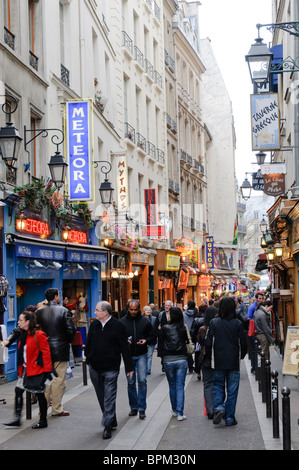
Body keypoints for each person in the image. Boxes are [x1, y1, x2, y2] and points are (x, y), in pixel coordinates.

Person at [85, 301, 134, 439]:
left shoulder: (118, 326)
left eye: (97, 310)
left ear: (105, 312)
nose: (94, 312)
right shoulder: (94, 324)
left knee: (109, 397)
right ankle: (111, 419)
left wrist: (129, 367)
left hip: (111, 368)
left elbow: (125, 347)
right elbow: (88, 343)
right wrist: (88, 358)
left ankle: (107, 426)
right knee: (101, 396)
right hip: (94, 367)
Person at [2, 310, 53, 429]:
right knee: (18, 391)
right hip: (25, 370)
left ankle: (43, 420)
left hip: (37, 370)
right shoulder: (22, 333)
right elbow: (13, 335)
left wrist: (46, 372)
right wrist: (7, 341)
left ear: (28, 322)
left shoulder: (39, 334)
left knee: (40, 394)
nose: (18, 322)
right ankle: (17, 418)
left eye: (20, 320)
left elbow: (46, 354)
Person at [205, 296, 247, 427]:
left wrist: (208, 355)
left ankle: (219, 407)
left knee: (217, 386)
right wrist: (241, 356)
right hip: (233, 361)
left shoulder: (214, 322)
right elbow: (243, 344)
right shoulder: (237, 323)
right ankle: (229, 417)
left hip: (218, 360)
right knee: (232, 390)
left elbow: (208, 342)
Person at [35, 287, 76, 417]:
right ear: (56, 297)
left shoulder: (38, 312)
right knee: (59, 379)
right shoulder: (63, 311)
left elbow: (35, 330)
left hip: (44, 349)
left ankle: (43, 407)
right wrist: (66, 341)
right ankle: (56, 408)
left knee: (47, 379)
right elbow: (71, 330)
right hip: (60, 348)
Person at [120, 300, 156, 420]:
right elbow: (118, 338)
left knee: (142, 381)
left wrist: (146, 341)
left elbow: (152, 336)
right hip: (128, 356)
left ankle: (142, 409)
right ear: (128, 309)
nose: (133, 312)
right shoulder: (122, 322)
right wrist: (125, 341)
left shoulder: (145, 321)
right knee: (130, 383)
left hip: (141, 354)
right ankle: (134, 407)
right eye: (131, 310)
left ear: (139, 309)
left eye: (135, 310)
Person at [161, 307, 188, 421]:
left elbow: (161, 343)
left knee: (172, 386)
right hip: (181, 358)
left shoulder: (165, 328)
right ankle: (181, 413)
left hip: (168, 359)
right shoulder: (183, 328)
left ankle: (175, 410)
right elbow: (186, 341)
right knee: (180, 386)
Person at [196, 307, 217, 419]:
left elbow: (198, 345)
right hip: (217, 359)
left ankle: (210, 410)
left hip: (205, 359)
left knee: (208, 384)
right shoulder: (218, 327)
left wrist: (197, 361)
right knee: (218, 383)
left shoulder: (202, 329)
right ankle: (218, 407)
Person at [247, 292, 264, 373]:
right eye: (259, 298)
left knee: (260, 351)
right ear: (256, 299)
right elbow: (248, 319)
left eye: (262, 298)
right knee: (254, 350)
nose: (261, 300)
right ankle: (254, 368)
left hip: (260, 332)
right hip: (254, 332)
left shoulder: (262, 307)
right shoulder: (252, 307)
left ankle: (260, 367)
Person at [157, 300, 173, 372]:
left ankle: (168, 364)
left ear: (171, 307)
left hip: (171, 336)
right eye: (165, 305)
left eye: (168, 305)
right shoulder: (161, 314)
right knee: (163, 351)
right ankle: (163, 364)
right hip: (162, 336)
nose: (166, 307)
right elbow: (157, 324)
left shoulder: (173, 314)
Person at [183, 300, 198, 373]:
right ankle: (197, 366)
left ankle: (190, 366)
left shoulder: (183, 314)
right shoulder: (197, 313)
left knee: (188, 351)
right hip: (197, 335)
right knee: (198, 350)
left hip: (187, 334)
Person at [142, 305, 158, 374]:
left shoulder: (154, 319)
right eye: (146, 310)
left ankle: (148, 369)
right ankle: (143, 368)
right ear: (143, 311)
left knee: (149, 355)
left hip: (151, 339)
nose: (148, 311)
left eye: (149, 310)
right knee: (143, 355)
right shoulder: (141, 319)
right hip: (143, 339)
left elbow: (156, 328)